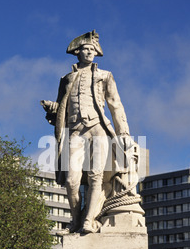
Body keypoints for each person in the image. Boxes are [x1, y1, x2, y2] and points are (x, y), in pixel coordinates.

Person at [41, 30, 135, 233]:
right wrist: (53, 109)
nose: (89, 52)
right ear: (78, 52)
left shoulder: (104, 76)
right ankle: (75, 220)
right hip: (75, 131)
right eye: (86, 48)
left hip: (97, 129)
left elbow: (115, 104)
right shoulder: (66, 78)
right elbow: (62, 108)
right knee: (71, 180)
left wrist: (123, 133)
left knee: (95, 176)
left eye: (92, 49)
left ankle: (89, 220)